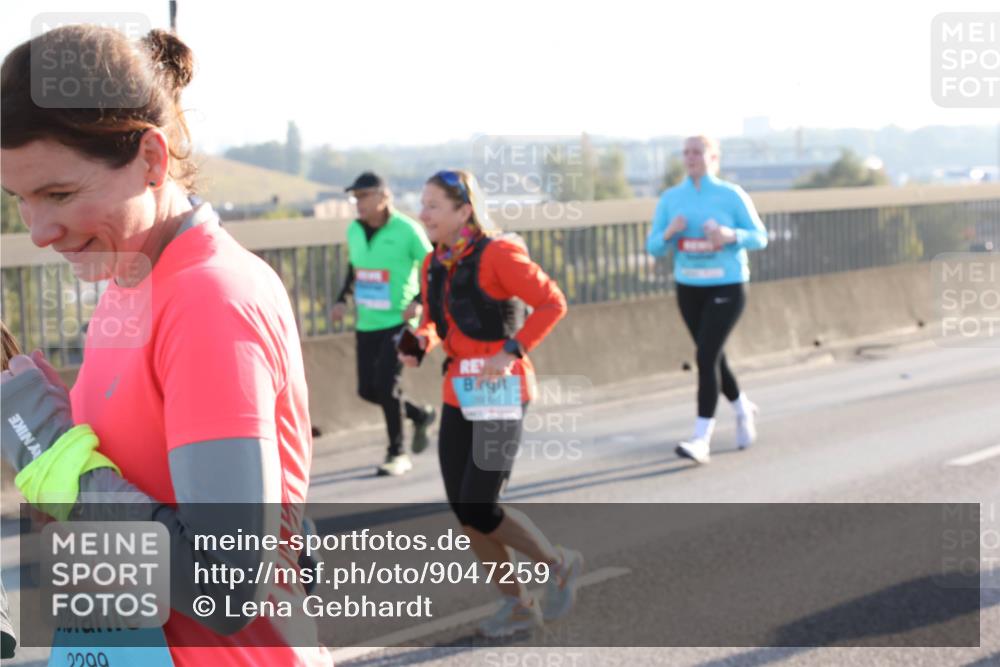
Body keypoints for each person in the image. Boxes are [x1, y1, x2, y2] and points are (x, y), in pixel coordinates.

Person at [1, 25, 329, 666]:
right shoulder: (132, 279)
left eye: (60, 194)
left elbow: (226, 585)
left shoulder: (209, 299)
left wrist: (49, 453)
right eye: (19, 201)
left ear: (151, 160)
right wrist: (64, 460)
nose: (39, 232)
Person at [399, 169, 583, 637]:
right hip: (458, 392)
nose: (423, 214)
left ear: (465, 211)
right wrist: (420, 341)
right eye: (422, 204)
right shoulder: (432, 262)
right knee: (465, 510)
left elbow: (552, 302)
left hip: (502, 391)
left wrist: (511, 350)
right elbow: (441, 322)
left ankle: (557, 562)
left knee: (481, 504)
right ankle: (518, 604)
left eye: (434, 206)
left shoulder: (498, 253)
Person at [646, 135, 768, 464]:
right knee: (711, 355)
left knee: (706, 355)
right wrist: (670, 232)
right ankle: (742, 407)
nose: (690, 157)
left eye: (697, 152)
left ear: (713, 158)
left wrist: (732, 235)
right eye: (685, 152)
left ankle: (701, 438)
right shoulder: (671, 199)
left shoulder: (731, 195)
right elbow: (654, 246)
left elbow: (760, 237)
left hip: (727, 284)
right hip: (689, 287)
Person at [332, 171, 436, 476]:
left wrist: (418, 300)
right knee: (367, 389)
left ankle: (397, 453)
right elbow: (356, 269)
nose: (358, 203)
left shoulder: (408, 230)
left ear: (383, 196)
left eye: (364, 196)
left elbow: (434, 267)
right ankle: (419, 414)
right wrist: (342, 298)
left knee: (388, 388)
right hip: (367, 322)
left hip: (400, 323)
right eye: (355, 197)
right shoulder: (354, 230)